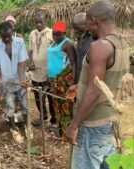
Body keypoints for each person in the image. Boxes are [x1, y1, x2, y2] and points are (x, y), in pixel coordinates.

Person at [65, 1, 130, 169]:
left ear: (94, 20)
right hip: (112, 121)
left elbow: (94, 91)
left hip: (93, 124)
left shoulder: (99, 46)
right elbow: (107, 80)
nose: (87, 28)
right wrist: (81, 86)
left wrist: (74, 125)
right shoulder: (122, 43)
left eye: (87, 23)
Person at [0, 22, 31, 144]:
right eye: (4, 37)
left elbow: (21, 62)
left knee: (24, 104)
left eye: (8, 35)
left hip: (20, 79)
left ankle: (27, 126)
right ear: (0, 35)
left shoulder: (19, 42)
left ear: (12, 32)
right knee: (10, 106)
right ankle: (14, 129)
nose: (6, 39)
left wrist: (21, 80)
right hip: (6, 82)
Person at [46, 21, 76, 137]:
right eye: (54, 34)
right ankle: (59, 129)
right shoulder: (53, 43)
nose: (56, 37)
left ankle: (66, 132)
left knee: (65, 106)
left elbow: (73, 64)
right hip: (53, 79)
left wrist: (73, 82)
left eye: (59, 34)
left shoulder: (67, 44)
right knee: (56, 105)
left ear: (65, 33)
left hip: (63, 80)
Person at [28, 11, 55, 127]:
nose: (38, 25)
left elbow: (54, 53)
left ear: (46, 21)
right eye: (36, 23)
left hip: (48, 72)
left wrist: (51, 71)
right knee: (38, 97)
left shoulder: (52, 33)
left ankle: (54, 120)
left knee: (51, 97)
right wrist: (31, 62)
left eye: (41, 22)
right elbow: (30, 51)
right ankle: (43, 117)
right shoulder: (32, 34)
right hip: (36, 73)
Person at [72, 13, 95, 83]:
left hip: (89, 81)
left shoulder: (95, 38)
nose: (76, 31)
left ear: (87, 24)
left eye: (78, 28)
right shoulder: (80, 36)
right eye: (74, 28)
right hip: (79, 80)